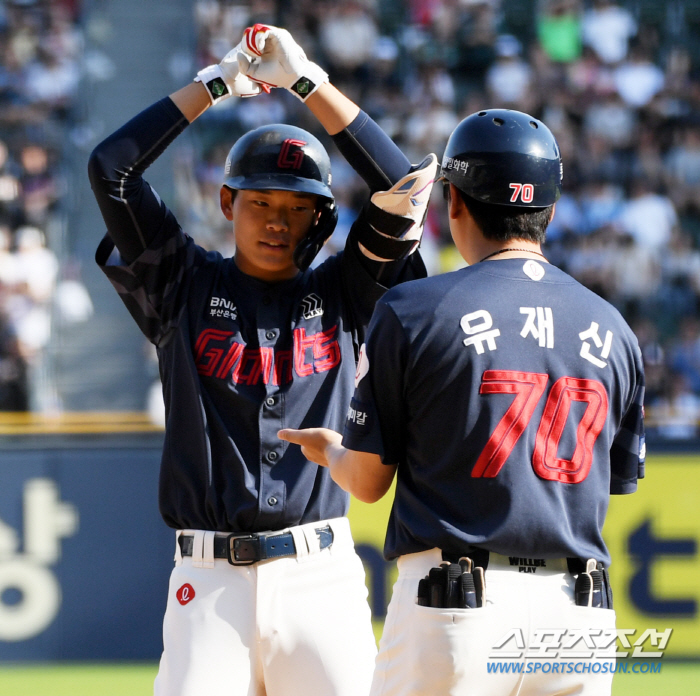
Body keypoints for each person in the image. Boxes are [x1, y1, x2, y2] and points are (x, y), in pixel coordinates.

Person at [88, 24, 437, 696]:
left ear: (323, 221)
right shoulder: (181, 283)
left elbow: (407, 185)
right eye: (260, 202)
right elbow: (111, 168)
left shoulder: (345, 289)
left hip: (321, 577)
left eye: (299, 208)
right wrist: (214, 85)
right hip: (208, 584)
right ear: (227, 202)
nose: (277, 221)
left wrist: (311, 83)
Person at [280, 109, 646, 696]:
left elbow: (370, 481)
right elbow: (618, 481)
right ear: (549, 211)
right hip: (578, 617)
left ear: (455, 204)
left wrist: (330, 451)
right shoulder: (615, 329)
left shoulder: (414, 309)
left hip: (457, 602)